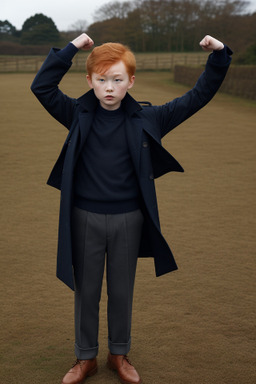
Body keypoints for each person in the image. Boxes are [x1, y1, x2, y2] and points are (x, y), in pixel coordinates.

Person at [31, 33, 232, 384]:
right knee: (87, 292)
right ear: (90, 81)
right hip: (83, 217)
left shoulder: (149, 118)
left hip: (129, 220)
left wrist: (218, 55)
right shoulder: (76, 114)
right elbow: (42, 86)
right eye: (102, 80)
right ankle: (85, 357)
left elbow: (197, 97)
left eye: (118, 79)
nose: (110, 87)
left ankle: (119, 355)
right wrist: (73, 48)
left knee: (122, 291)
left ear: (131, 81)